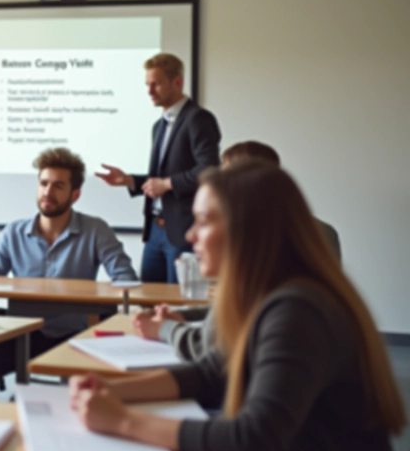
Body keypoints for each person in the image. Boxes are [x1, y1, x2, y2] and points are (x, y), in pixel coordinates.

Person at [70, 162, 403, 451]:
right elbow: (214, 373)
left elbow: (252, 441)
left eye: (203, 221)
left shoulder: (298, 309)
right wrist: (115, 391)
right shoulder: (267, 295)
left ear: (248, 229)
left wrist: (123, 421)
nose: (189, 235)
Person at [134, 140, 344, 360]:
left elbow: (211, 350)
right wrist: (183, 316)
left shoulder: (262, 244)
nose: (191, 235)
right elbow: (239, 305)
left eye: (227, 178)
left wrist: (166, 329)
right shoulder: (294, 231)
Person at [0, 147, 137, 398]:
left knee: (82, 396)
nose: (48, 192)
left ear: (75, 194)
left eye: (58, 185)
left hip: (73, 336)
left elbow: (126, 278)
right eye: (44, 183)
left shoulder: (96, 230)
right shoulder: (14, 232)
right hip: (21, 334)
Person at [96, 52, 221, 283]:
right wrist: (130, 181)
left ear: (178, 82)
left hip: (183, 231)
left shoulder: (198, 119)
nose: (149, 91)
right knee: (150, 303)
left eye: (156, 84)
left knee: (180, 307)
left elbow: (209, 170)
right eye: (147, 84)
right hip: (154, 231)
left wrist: (165, 184)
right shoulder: (158, 126)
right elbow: (160, 178)